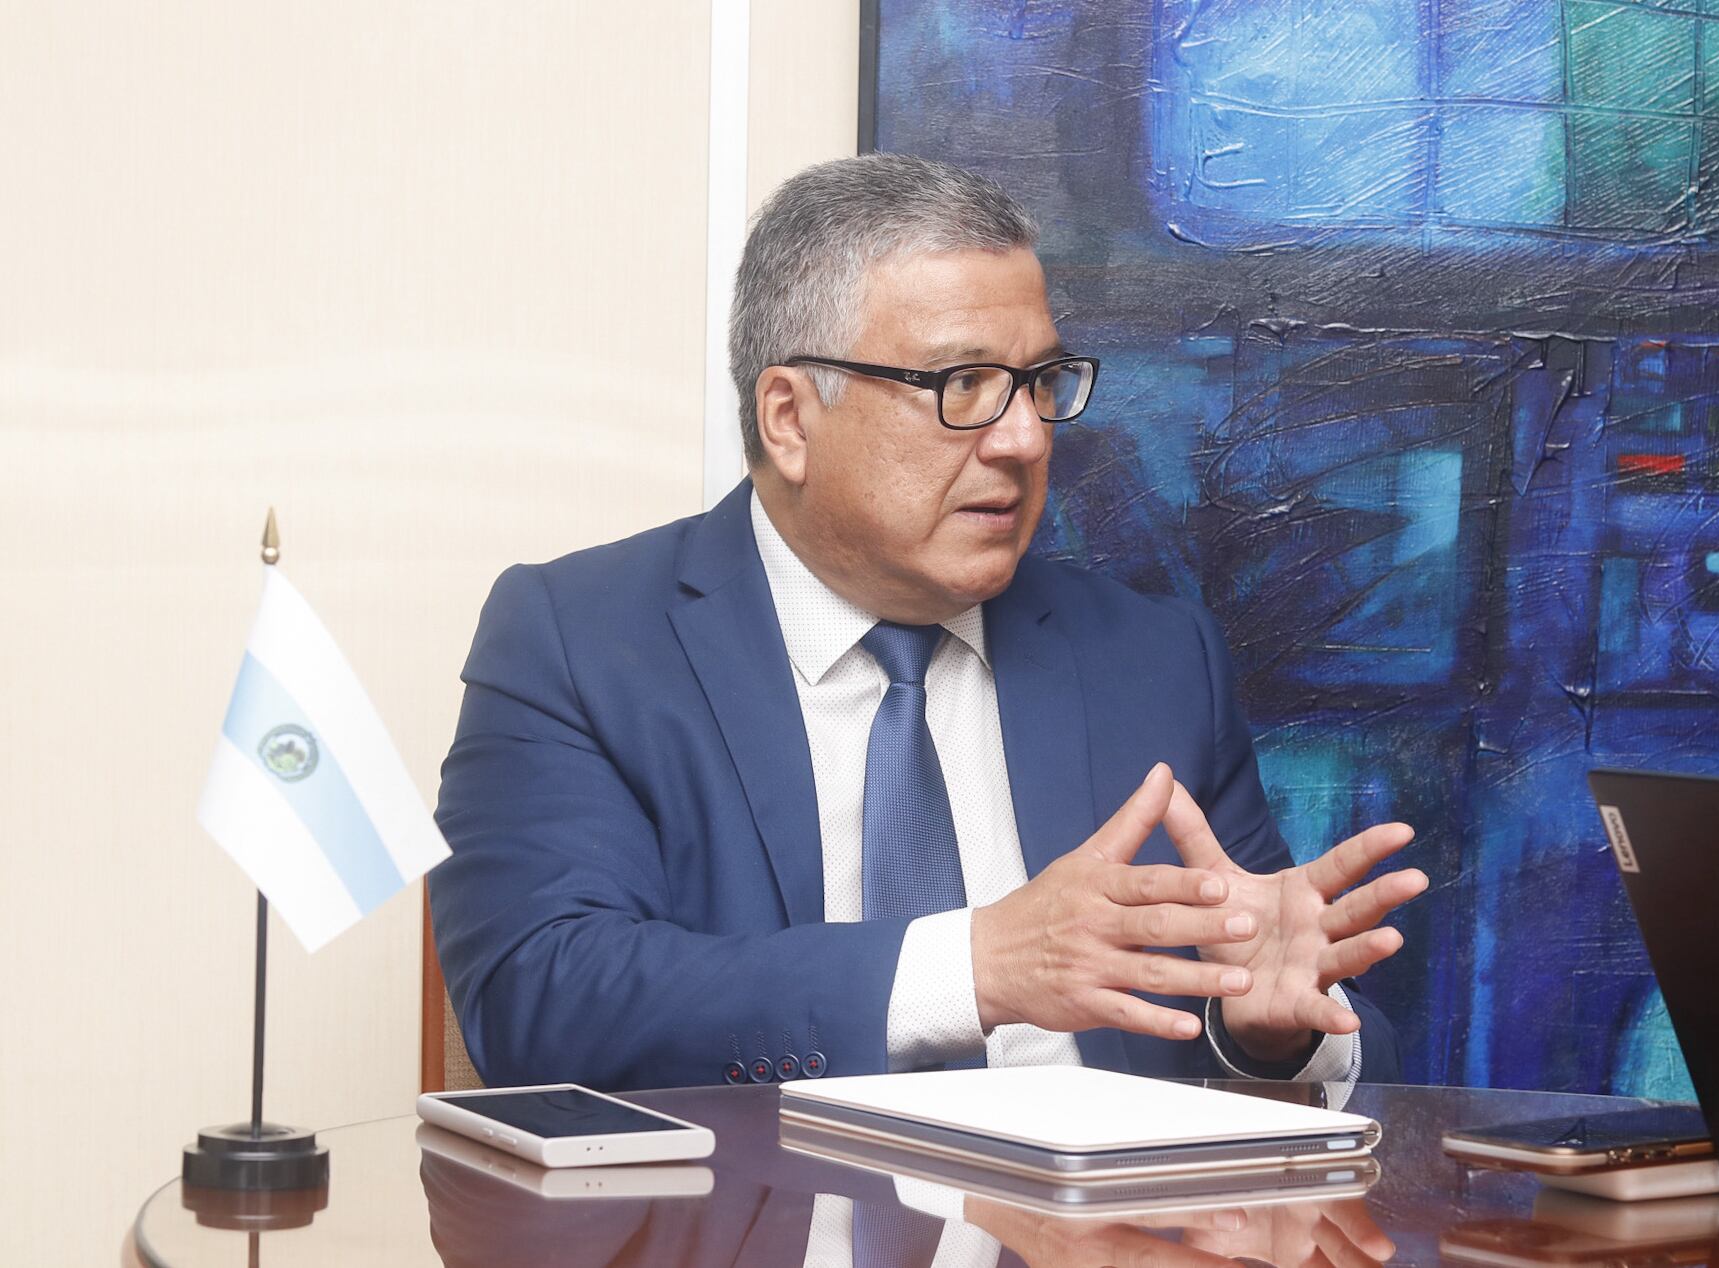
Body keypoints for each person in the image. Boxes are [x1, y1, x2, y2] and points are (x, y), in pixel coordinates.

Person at [429, 154, 1427, 1094]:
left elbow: (1293, 998)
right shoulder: (582, 641)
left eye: (1038, 383)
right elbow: (538, 994)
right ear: (790, 417)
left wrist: (1267, 1029)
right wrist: (975, 964)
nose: (1027, 437)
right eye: (963, 388)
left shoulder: (1153, 661)